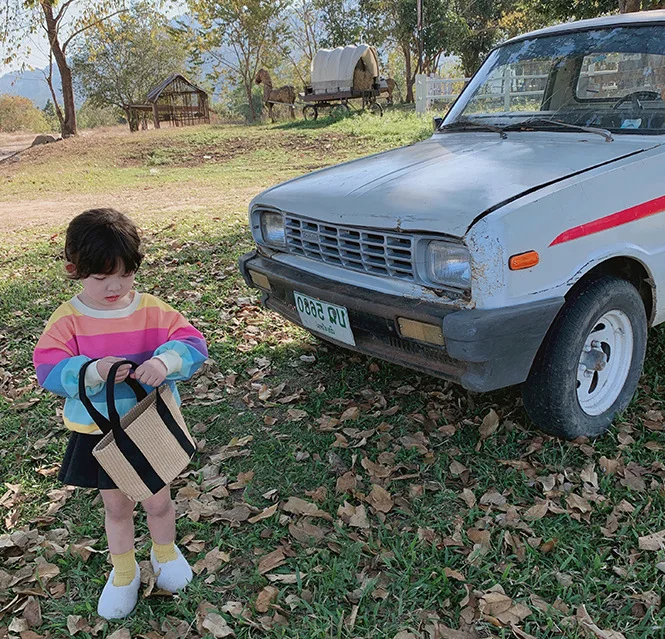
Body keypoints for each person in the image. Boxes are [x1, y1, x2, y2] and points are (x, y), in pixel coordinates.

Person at [33, 208, 208, 620]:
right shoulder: (69, 320)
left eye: (125, 274)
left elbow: (193, 343)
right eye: (100, 277)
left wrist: (165, 363)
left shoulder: (150, 309)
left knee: (159, 501)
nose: (115, 286)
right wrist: (91, 370)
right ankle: (125, 571)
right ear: (73, 269)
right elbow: (48, 369)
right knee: (116, 507)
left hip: (150, 424)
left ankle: (165, 553)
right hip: (100, 431)